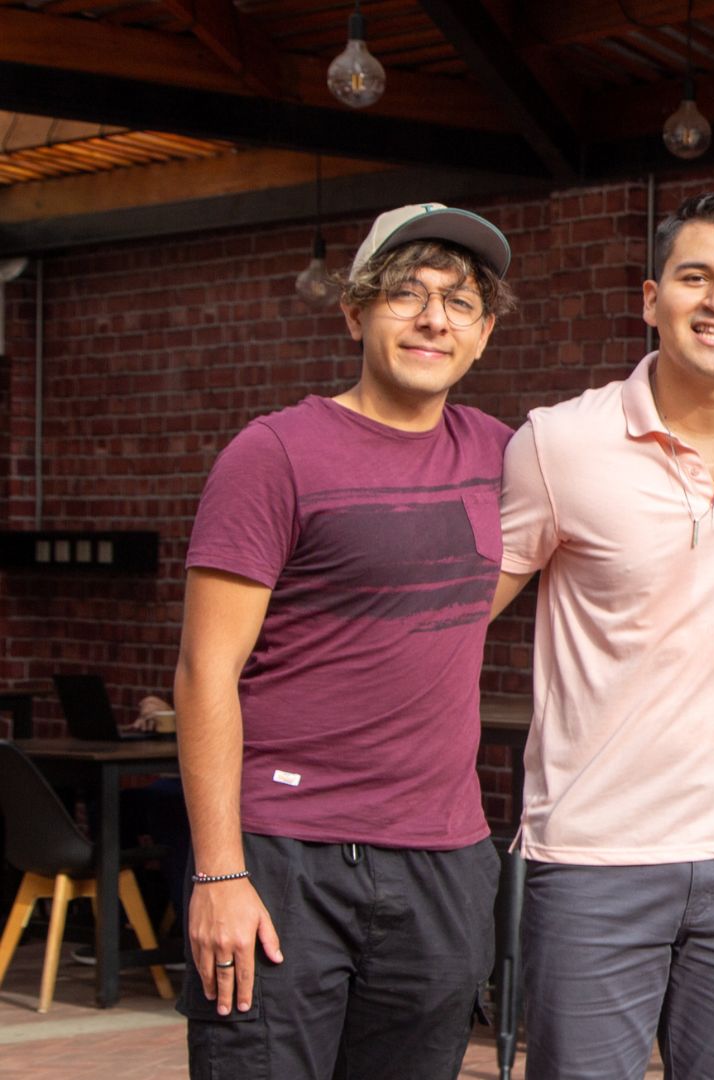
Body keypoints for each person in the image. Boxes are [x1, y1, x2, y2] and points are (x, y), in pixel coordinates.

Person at [492, 191, 714, 1080]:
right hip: (595, 855)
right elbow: (457, 616)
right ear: (652, 299)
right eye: (695, 278)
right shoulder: (556, 445)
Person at [175, 204, 516, 1078]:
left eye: (460, 303)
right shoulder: (274, 454)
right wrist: (218, 873)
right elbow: (206, 670)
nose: (434, 319)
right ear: (355, 312)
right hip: (285, 854)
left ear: (483, 335)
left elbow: (640, 450)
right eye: (406, 294)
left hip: (443, 859)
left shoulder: (508, 456)